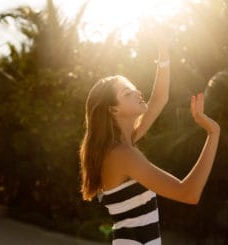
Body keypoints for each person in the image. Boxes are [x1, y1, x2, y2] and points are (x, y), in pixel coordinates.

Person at [79, 39, 220, 244]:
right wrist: (213, 134)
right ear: (113, 109)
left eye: (134, 88)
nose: (137, 92)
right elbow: (188, 193)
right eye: (127, 93)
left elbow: (159, 98)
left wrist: (163, 57)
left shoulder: (123, 144)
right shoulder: (123, 154)